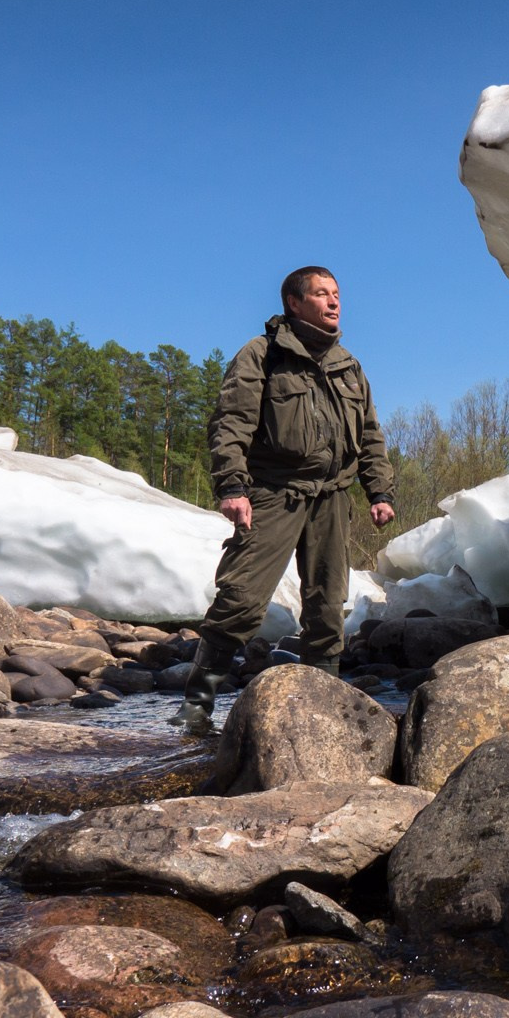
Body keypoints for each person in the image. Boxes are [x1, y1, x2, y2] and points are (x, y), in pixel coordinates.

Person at [175, 265, 396, 734]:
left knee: (328, 606)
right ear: (294, 303)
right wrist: (232, 486)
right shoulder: (262, 355)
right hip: (273, 492)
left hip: (332, 497)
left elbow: (370, 435)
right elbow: (230, 422)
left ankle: (322, 707)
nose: (334, 302)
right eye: (321, 294)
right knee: (241, 598)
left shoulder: (349, 366)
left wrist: (379, 490)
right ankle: (196, 705)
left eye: (337, 294)